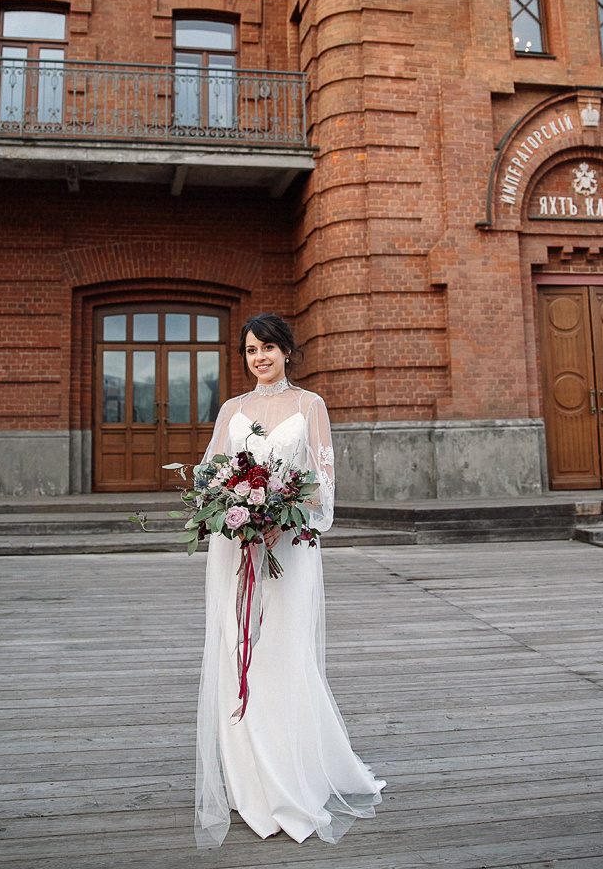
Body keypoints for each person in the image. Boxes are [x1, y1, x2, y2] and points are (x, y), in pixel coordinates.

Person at [194, 312, 386, 848]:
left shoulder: (310, 406)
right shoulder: (232, 410)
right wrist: (231, 508)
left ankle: (293, 771)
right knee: (238, 646)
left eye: (268, 348)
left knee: (284, 648)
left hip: (290, 550)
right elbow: (209, 474)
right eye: (251, 350)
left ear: (286, 351)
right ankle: (249, 777)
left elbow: (322, 485)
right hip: (234, 549)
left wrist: (280, 519)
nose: (259, 358)